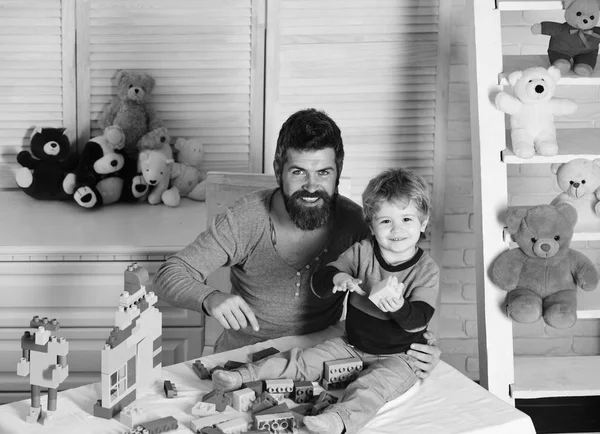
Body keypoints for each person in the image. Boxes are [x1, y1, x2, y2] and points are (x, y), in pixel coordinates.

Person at [153, 109, 440, 375]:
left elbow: (405, 284)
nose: (312, 187)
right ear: (279, 169)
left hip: (321, 360)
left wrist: (425, 344)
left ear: (338, 172)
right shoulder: (245, 219)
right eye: (299, 172)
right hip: (241, 360)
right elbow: (169, 274)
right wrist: (210, 298)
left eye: (323, 173)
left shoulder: (358, 223)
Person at [212, 167, 439, 434]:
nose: (397, 229)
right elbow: (322, 277)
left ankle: (337, 420)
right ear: (372, 225)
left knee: (370, 388)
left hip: (399, 357)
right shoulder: (362, 252)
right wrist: (337, 278)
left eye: (407, 219)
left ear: (423, 223)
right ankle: (243, 375)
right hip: (352, 344)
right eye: (386, 221)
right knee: (303, 361)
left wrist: (399, 307)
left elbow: (418, 320)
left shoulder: (426, 270)